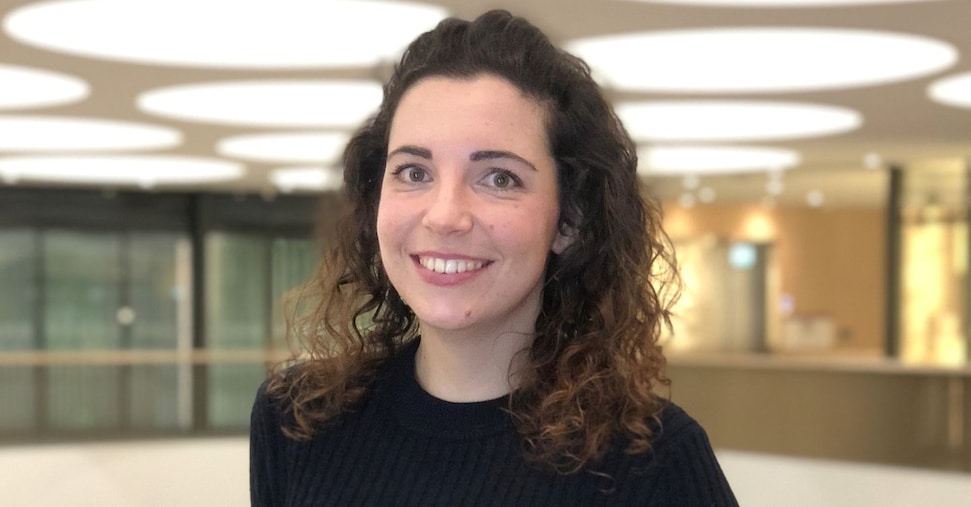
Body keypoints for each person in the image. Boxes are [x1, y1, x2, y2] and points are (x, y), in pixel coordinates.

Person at [250, 9, 737, 506]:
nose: (445, 216)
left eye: (500, 178)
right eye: (414, 172)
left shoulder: (653, 461)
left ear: (568, 222)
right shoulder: (297, 419)